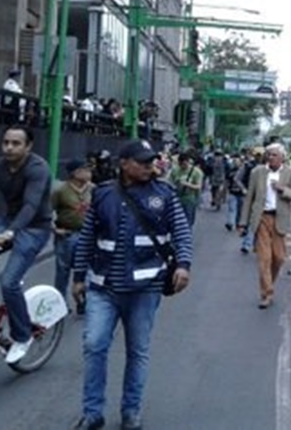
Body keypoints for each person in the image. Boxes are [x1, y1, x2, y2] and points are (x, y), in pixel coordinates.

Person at [70, 139, 192, 430]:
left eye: (152, 161)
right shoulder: (102, 195)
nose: (150, 166)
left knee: (137, 351)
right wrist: (78, 277)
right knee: (94, 344)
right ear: (124, 164)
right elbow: (87, 237)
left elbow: (182, 233)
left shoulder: (165, 194)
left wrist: (184, 266)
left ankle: (131, 411)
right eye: (142, 161)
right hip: (103, 287)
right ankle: (92, 413)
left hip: (146, 289)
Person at [0, 125, 53, 364]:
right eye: (6, 142)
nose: (9, 147)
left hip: (34, 228)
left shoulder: (37, 168)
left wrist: (11, 232)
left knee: (9, 282)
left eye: (16, 143)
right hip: (6, 222)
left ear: (28, 146)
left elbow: (31, 205)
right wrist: (7, 228)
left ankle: (23, 336)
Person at [237, 143, 291, 309]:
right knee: (264, 259)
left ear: (282, 157)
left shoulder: (290, 173)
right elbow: (249, 198)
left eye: (274, 155)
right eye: (269, 155)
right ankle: (266, 293)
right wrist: (243, 223)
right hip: (262, 218)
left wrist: (282, 189)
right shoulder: (257, 172)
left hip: (280, 219)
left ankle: (269, 282)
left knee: (278, 258)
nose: (270, 157)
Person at [52, 157, 95, 314]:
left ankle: (84, 301)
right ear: (75, 173)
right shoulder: (60, 190)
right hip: (67, 236)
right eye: (86, 169)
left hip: (88, 236)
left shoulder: (93, 189)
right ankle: (60, 304)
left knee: (88, 269)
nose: (89, 172)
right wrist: (54, 229)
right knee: (62, 271)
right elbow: (46, 211)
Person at [170, 152, 203, 229]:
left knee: (188, 222)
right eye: (181, 165)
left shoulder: (196, 172)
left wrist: (187, 184)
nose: (183, 166)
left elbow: (198, 186)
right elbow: (169, 183)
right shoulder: (175, 170)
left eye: (185, 164)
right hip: (177, 198)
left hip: (190, 199)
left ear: (188, 162)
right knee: (176, 221)